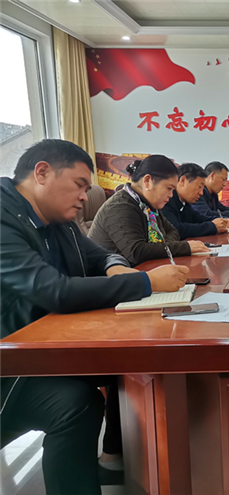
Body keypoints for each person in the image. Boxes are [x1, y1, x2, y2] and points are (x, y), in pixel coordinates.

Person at [0, 139, 188, 495]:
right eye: (79, 185)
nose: (84, 197)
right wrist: (145, 282)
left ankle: (130, 461)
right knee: (76, 404)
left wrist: (116, 267)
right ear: (42, 172)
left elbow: (99, 254)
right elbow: (53, 291)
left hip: (45, 345)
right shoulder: (4, 216)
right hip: (11, 363)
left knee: (130, 364)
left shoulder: (56, 218)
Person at [89, 155, 210, 266]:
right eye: (169, 188)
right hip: (111, 277)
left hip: (141, 271)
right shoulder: (119, 207)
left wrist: (159, 246)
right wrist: (184, 247)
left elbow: (173, 231)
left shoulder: (147, 206)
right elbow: (136, 252)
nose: (171, 195)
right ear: (147, 181)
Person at [162, 163, 229, 239]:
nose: (201, 193)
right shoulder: (166, 200)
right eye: (199, 187)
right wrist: (212, 227)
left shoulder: (185, 203)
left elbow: (199, 218)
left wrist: (225, 222)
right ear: (183, 181)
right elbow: (175, 229)